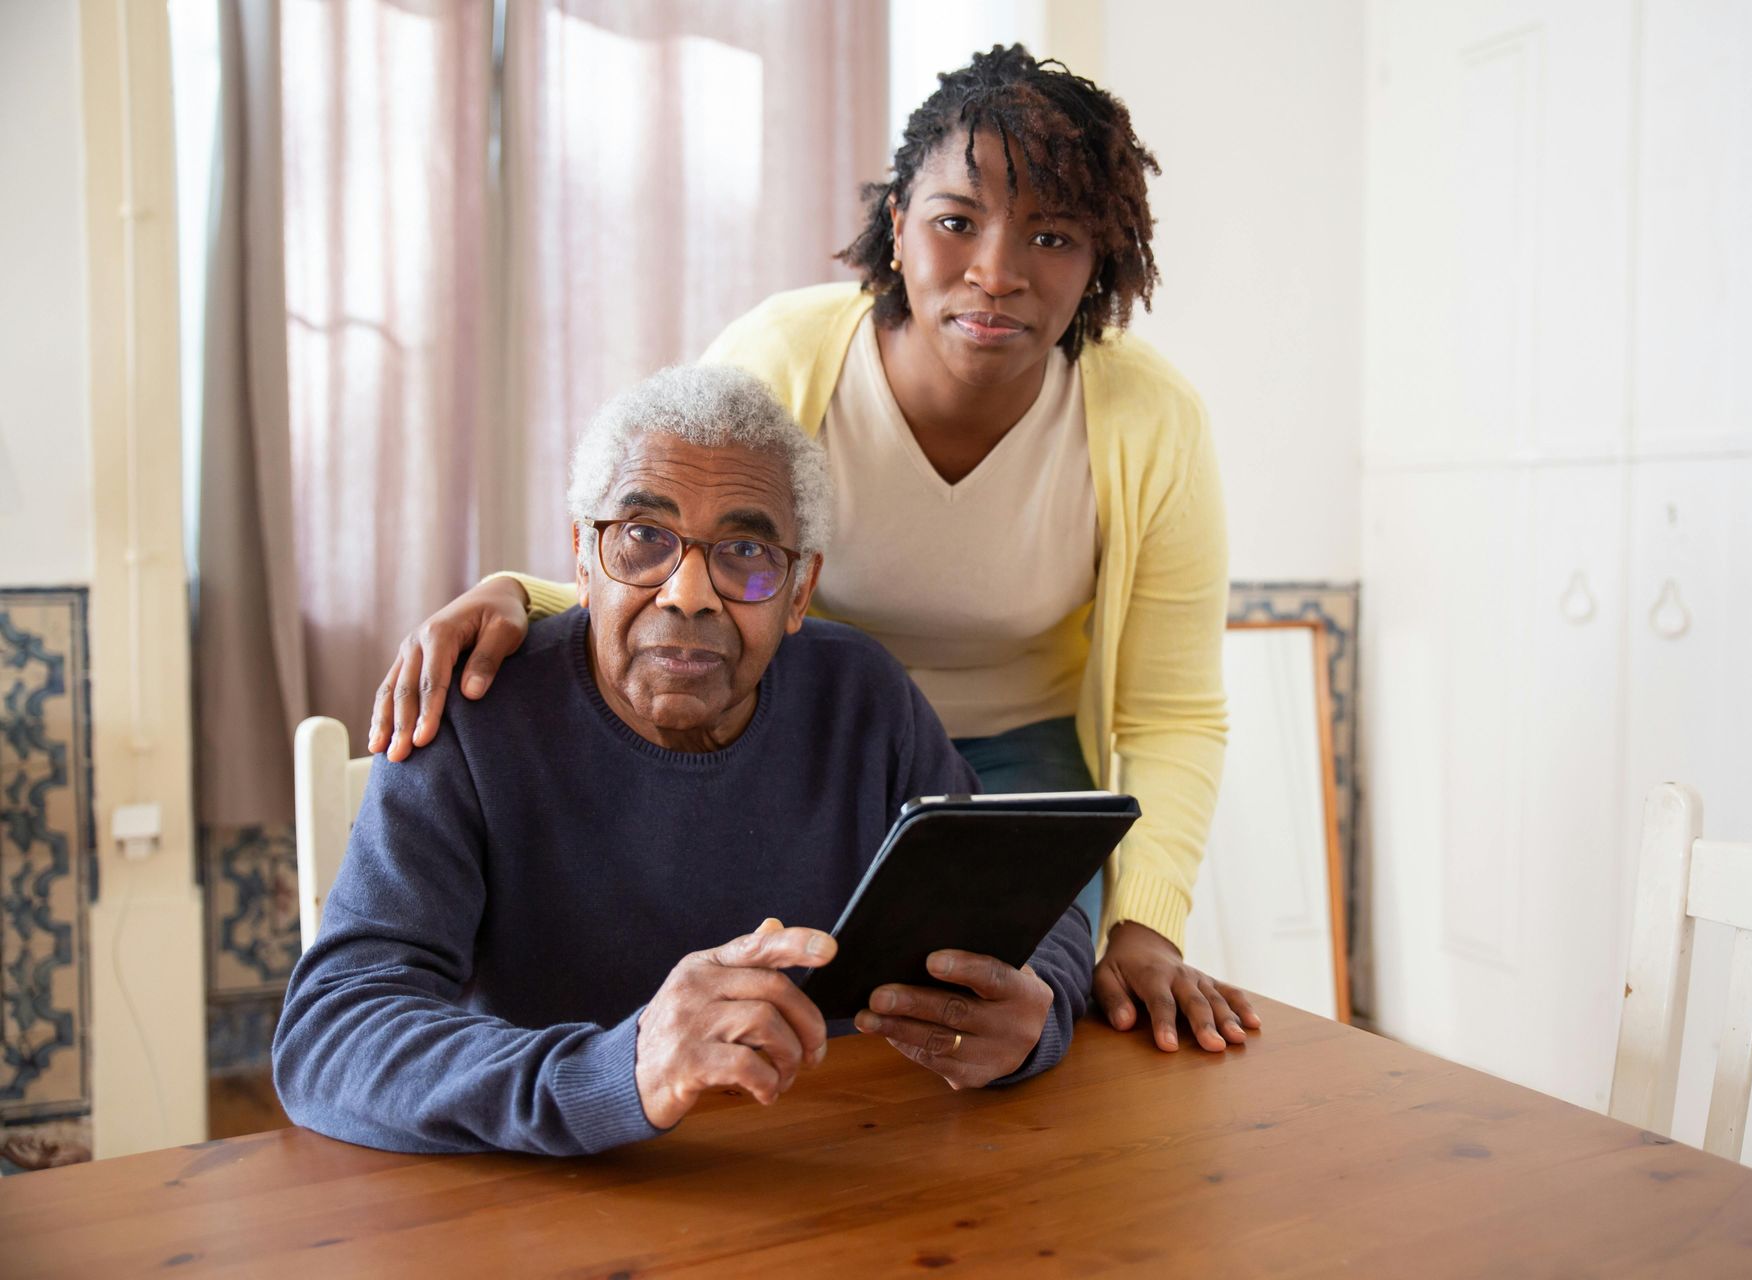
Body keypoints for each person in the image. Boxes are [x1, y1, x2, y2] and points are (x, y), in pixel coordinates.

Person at [366, 45, 1260, 1055]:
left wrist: (1143, 928)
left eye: (1052, 235)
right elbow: (678, 542)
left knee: (1014, 1039)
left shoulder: (1152, 420)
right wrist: (519, 596)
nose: (998, 272)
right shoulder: (789, 357)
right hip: (821, 743)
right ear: (898, 223)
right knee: (809, 1026)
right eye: (956, 220)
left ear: (1101, 255)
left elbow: (1173, 709)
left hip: (1023, 767)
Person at [274, 367, 1092, 1155]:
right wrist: (619, 1071)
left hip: (843, 1170)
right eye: (643, 539)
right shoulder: (472, 713)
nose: (688, 593)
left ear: (800, 592)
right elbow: (332, 1035)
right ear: (583, 561)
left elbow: (1037, 912)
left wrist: (1034, 1020)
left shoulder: (863, 698)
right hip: (557, 1194)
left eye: (745, 551)